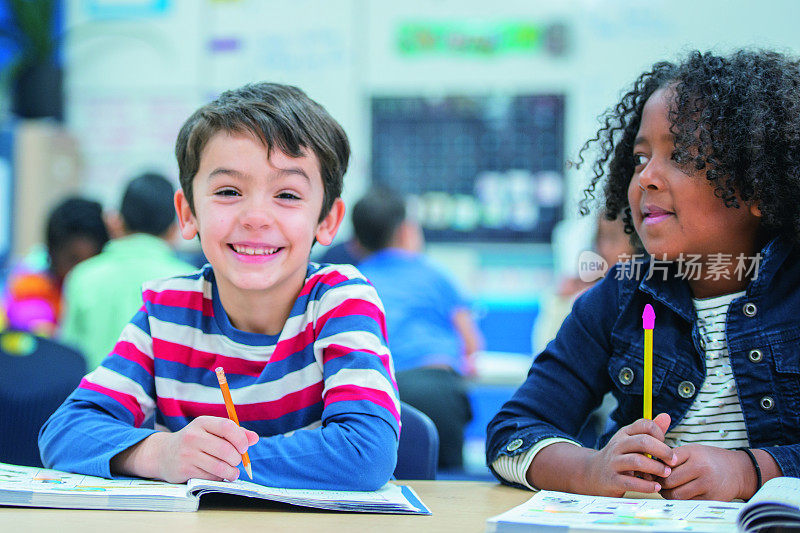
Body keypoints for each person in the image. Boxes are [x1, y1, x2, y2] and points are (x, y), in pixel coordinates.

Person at [39, 82, 400, 491]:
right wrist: (164, 454)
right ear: (188, 213)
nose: (255, 217)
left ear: (328, 220)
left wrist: (211, 464)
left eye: (287, 194)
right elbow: (65, 432)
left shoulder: (340, 301)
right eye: (228, 191)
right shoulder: (167, 311)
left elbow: (364, 453)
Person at [486, 50, 800, 502]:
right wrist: (590, 469)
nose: (646, 178)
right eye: (639, 158)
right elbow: (512, 432)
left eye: (683, 155)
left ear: (758, 186)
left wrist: (751, 471)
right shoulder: (620, 296)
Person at [352, 186, 483, 469]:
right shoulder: (435, 274)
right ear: (405, 231)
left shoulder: (353, 282)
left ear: (355, 242)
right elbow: (472, 344)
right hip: (437, 391)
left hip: (378, 398)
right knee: (450, 488)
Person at [59, 173, 195, 370]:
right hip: (162, 401)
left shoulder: (83, 276)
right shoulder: (190, 281)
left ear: (115, 222)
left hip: (95, 399)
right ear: (175, 229)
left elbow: (68, 358)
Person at [3, 197, 109, 337]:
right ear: (52, 253)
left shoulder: (104, 287)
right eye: (73, 260)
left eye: (90, 262)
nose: (82, 272)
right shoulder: (31, 281)